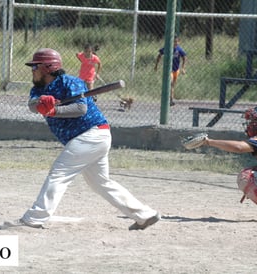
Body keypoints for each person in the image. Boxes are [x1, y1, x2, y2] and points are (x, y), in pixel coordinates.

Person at [17, 48, 160, 230]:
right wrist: (41, 103)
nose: (32, 70)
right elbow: (31, 105)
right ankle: (144, 215)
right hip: (87, 139)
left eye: (35, 67)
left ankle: (35, 218)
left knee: (59, 175)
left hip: (91, 134)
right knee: (100, 183)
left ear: (47, 67)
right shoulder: (38, 89)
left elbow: (80, 108)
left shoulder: (70, 82)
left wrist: (55, 110)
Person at [154, 36, 187, 107]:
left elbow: (184, 57)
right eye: (173, 41)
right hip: (169, 70)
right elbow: (159, 55)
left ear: (178, 42)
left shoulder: (179, 50)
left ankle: (171, 100)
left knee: (172, 86)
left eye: (176, 42)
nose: (175, 43)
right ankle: (169, 99)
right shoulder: (167, 48)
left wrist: (183, 68)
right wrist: (156, 65)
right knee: (170, 83)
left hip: (176, 70)